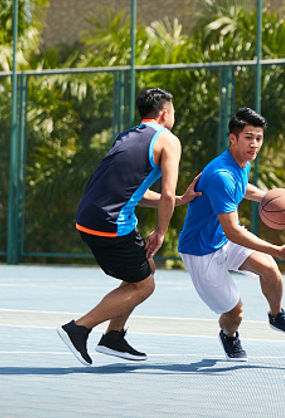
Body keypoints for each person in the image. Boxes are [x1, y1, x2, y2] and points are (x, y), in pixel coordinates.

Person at [57, 88, 201, 366]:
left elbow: (134, 193)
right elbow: (166, 194)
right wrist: (160, 231)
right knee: (144, 286)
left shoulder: (127, 136)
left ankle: (113, 337)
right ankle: (78, 329)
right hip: (110, 224)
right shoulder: (168, 140)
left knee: (144, 269)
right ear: (164, 113)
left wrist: (181, 200)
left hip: (89, 217)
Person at [178, 107, 285, 362]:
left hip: (222, 239)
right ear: (233, 138)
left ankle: (276, 316)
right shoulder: (221, 175)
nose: (254, 144)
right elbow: (234, 231)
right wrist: (278, 249)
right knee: (235, 313)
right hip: (201, 251)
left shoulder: (241, 164)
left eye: (259, 138)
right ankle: (229, 336)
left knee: (269, 268)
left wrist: (266, 196)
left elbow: (242, 189)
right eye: (249, 137)